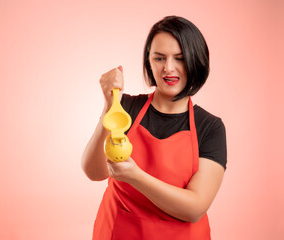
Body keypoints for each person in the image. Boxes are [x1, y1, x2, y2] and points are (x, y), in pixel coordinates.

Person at [81, 15, 227, 240]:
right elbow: (93, 171)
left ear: (196, 61)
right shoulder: (125, 108)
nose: (169, 68)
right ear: (149, 61)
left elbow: (195, 207)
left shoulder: (210, 127)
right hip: (118, 233)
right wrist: (111, 106)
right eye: (159, 58)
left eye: (180, 58)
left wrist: (135, 176)